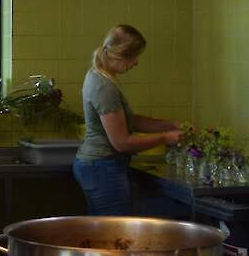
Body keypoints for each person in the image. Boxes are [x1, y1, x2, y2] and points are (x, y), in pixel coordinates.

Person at [72, 24, 184, 215]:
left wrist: (170, 125)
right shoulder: (103, 86)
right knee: (113, 235)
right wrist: (165, 138)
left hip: (99, 167)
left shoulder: (100, 76)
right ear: (121, 54)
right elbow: (122, 142)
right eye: (135, 56)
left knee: (104, 232)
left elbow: (129, 121)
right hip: (102, 168)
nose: (136, 63)